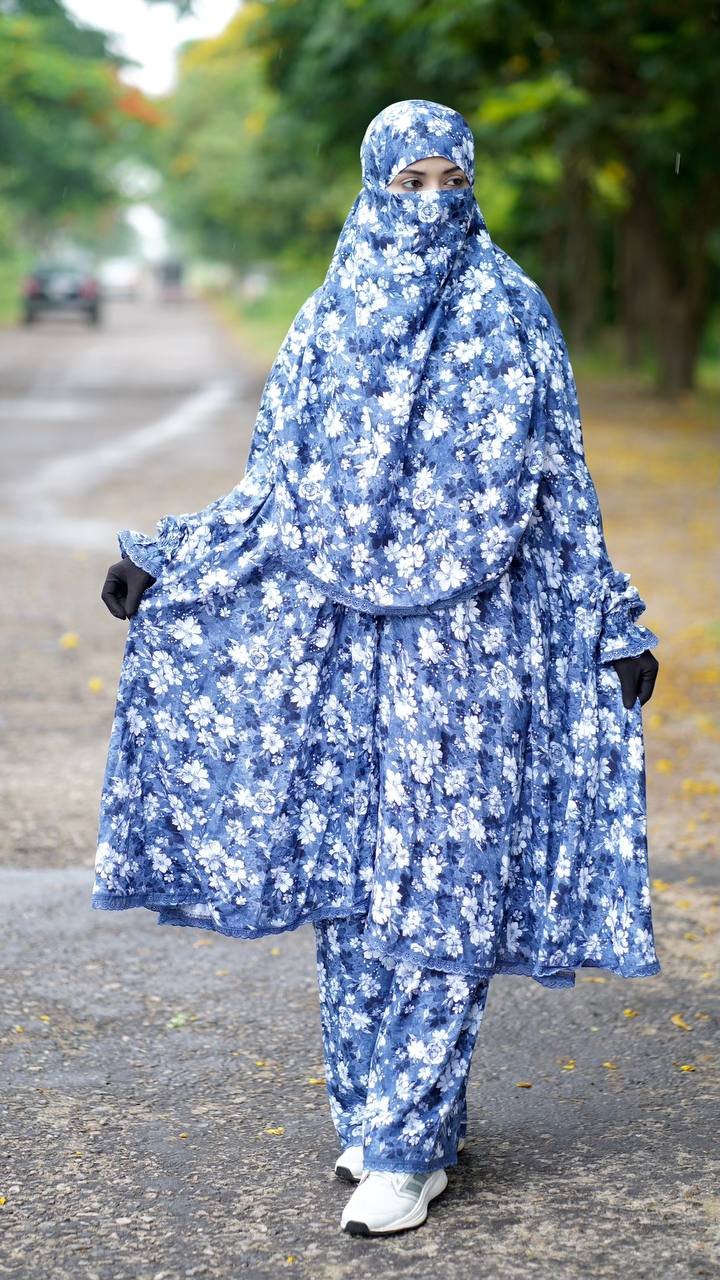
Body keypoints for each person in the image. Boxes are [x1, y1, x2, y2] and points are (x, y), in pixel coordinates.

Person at [94, 99, 660, 1237]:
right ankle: (377, 1114)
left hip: (475, 649)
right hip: (341, 639)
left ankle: (407, 1145)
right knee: (353, 886)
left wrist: (612, 620)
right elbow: (275, 484)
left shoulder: (510, 310)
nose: (432, 205)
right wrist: (169, 556)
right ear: (373, 186)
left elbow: (562, 482)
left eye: (452, 182)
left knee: (446, 878)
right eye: (410, 184)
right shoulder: (329, 315)